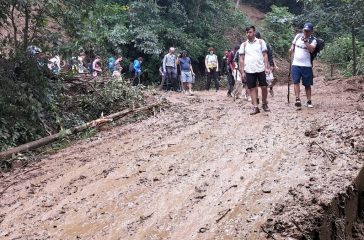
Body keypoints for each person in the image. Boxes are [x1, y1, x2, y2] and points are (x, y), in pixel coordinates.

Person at [239, 26, 271, 115]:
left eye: (250, 32)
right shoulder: (244, 45)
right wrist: (242, 71)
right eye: (247, 32)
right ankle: (255, 107)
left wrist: (267, 67)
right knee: (252, 88)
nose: (248, 34)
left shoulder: (261, 42)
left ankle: (264, 102)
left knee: (264, 87)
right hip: (249, 69)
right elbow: (241, 58)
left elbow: (265, 55)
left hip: (260, 68)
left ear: (254, 32)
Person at [289, 22, 317, 109]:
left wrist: (306, 42)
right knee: (296, 82)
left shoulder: (313, 40)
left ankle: (309, 100)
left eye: (308, 31)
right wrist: (291, 49)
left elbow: (311, 50)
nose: (306, 32)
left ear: (311, 31)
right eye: (305, 30)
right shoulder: (297, 36)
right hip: (296, 64)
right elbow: (293, 46)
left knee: (307, 84)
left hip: (306, 65)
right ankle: (297, 99)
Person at [255, 31, 279, 97]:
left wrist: (271, 65)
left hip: (265, 63)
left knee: (270, 79)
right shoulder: (251, 44)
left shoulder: (265, 44)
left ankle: (270, 88)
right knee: (256, 80)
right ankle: (257, 94)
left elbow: (270, 55)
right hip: (256, 64)